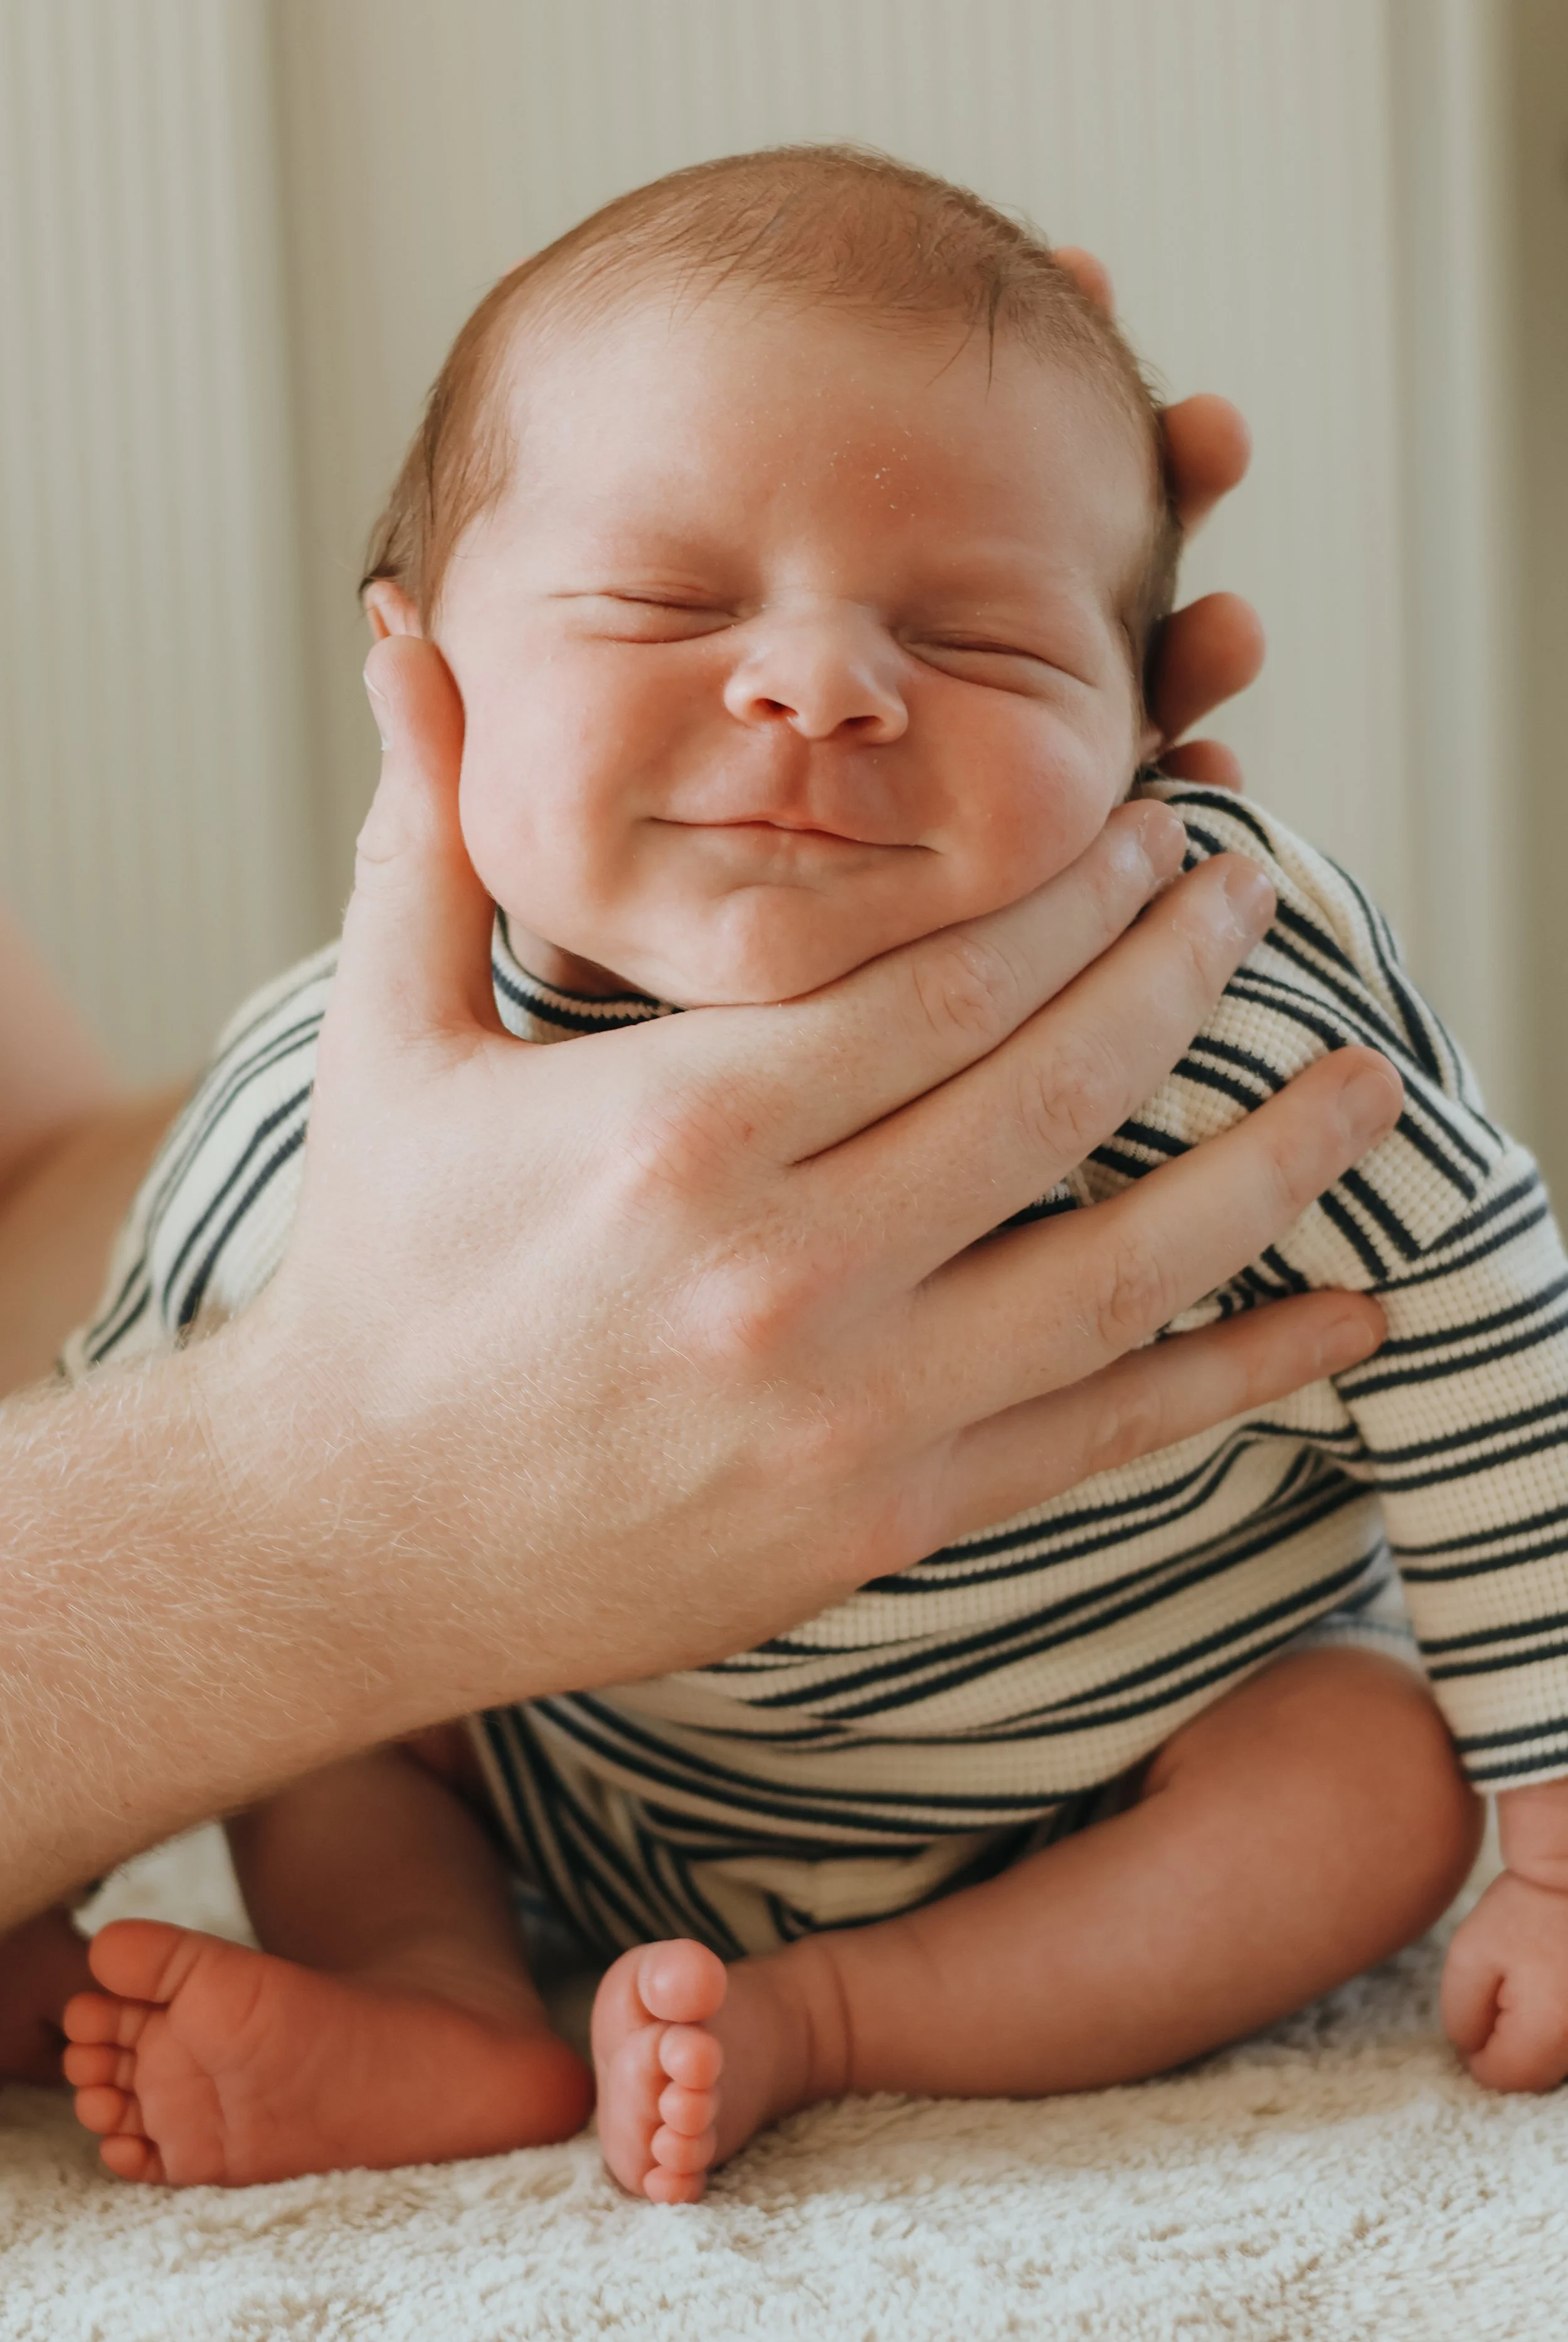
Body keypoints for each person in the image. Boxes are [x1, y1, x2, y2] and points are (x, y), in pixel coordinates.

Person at [2, 164, 1416, 2151]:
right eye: (666, 602)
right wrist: (310, 1505)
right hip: (585, 1782)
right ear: (422, 676)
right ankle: (438, 2002)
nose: (822, 683)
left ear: (1141, 736)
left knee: (1369, 1763)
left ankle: (821, 2020)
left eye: (982, 639)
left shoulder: (1216, 999)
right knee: (342, 1752)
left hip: (1127, 1743)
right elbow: (134, 1367)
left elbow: (1488, 1313)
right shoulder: (289, 1089)